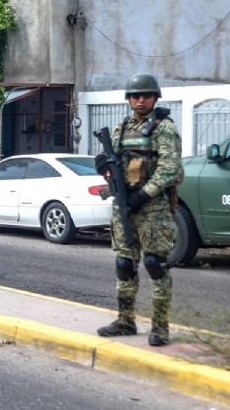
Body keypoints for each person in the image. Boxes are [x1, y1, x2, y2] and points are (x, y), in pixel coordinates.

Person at [95, 73, 183, 347]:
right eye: (135, 96)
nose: (140, 100)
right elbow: (117, 167)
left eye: (145, 95)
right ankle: (125, 320)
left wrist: (144, 195)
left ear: (155, 97)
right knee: (124, 264)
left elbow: (171, 169)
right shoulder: (121, 129)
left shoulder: (163, 128)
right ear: (129, 99)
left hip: (153, 208)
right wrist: (105, 168)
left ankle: (160, 327)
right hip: (125, 206)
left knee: (155, 264)